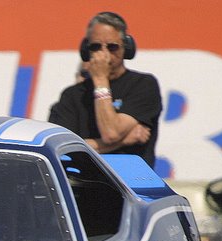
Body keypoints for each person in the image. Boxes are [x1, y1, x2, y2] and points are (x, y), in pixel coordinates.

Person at [48, 12, 162, 168]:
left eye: (112, 47)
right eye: (96, 47)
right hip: (82, 179)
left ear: (126, 48)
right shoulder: (72, 95)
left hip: (131, 177)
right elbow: (61, 148)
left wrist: (101, 80)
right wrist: (122, 141)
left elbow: (111, 133)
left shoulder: (143, 84)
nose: (104, 54)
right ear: (86, 50)